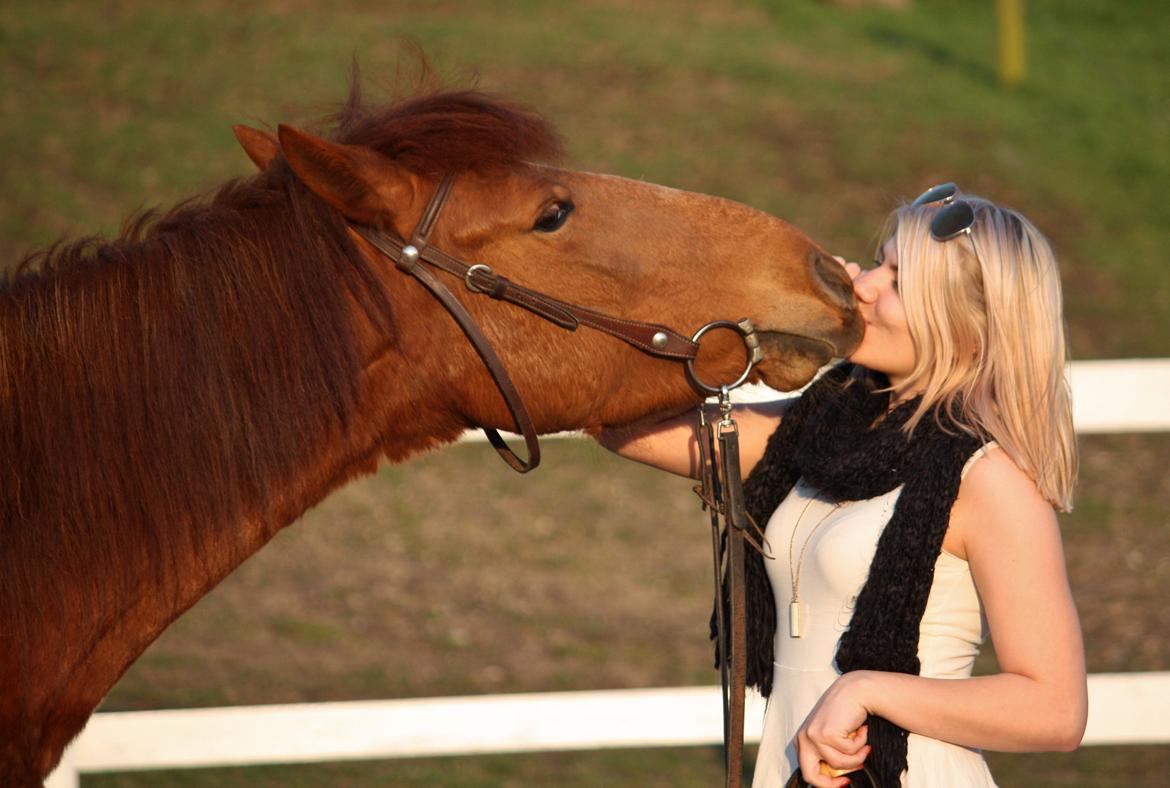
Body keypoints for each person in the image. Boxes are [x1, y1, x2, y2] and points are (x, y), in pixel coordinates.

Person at [597, 184, 1088, 787]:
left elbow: (1055, 711)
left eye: (900, 282)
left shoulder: (986, 477)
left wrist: (868, 689)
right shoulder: (815, 434)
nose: (865, 284)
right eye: (879, 261)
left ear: (967, 327)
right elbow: (614, 415)